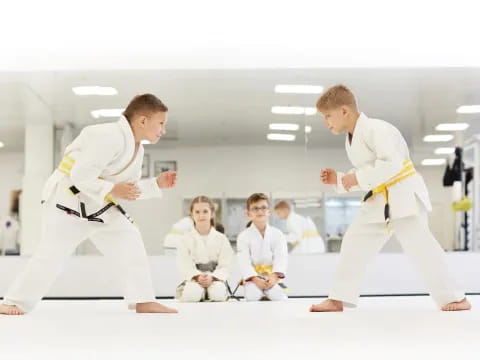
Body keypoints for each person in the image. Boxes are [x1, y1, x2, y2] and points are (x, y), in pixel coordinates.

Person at [0, 94, 178, 315]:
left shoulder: (137, 149)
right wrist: (113, 189)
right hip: (67, 201)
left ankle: (143, 300)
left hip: (99, 205)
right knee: (51, 254)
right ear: (142, 121)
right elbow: (80, 175)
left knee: (130, 240)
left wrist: (155, 184)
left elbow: (127, 189)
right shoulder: (107, 135)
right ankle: (13, 302)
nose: (163, 130)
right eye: (161, 123)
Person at [309, 85, 470, 312]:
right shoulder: (352, 138)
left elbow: (392, 165)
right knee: (354, 242)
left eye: (328, 116)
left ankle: (455, 298)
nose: (326, 122)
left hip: (403, 196)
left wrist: (355, 178)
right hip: (379, 202)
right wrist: (340, 179)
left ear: (344, 111)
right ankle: (338, 298)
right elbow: (369, 174)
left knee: (421, 248)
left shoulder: (377, 129)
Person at [176, 196, 234, 302]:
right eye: (197, 212)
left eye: (205, 211)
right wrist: (197, 276)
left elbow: (226, 264)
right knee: (191, 296)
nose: (201, 215)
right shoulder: (185, 239)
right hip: (195, 279)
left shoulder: (221, 238)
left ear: (211, 213)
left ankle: (208, 293)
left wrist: (213, 277)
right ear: (191, 214)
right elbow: (184, 264)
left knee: (218, 295)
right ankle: (201, 293)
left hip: (215, 278)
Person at [237, 193, 288, 301]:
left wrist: (274, 277)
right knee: (252, 296)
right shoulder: (243, 236)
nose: (260, 211)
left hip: (272, 276)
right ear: (248, 213)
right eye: (255, 208)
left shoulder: (277, 234)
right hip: (253, 278)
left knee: (278, 297)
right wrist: (256, 279)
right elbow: (243, 262)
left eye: (263, 208)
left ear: (269, 211)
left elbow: (281, 257)